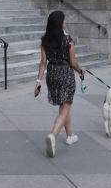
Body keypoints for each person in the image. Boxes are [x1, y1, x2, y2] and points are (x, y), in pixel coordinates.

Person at [35, 10, 85, 157]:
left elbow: (43, 63)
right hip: (65, 74)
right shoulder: (68, 40)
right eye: (63, 20)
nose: (65, 22)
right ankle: (53, 135)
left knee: (64, 105)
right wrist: (80, 70)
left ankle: (70, 136)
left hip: (52, 75)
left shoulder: (44, 40)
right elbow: (73, 62)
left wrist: (38, 82)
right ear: (60, 23)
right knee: (65, 107)